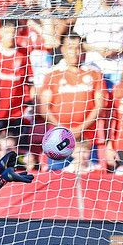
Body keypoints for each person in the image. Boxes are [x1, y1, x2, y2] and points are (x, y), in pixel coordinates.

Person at [38, 33, 105, 171]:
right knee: (56, 181)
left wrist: (80, 128)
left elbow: (100, 105)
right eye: (70, 47)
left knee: (89, 184)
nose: (74, 52)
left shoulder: (94, 74)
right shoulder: (52, 75)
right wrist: (64, 130)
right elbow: (44, 108)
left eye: (78, 48)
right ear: (62, 49)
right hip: (58, 139)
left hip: (86, 139)